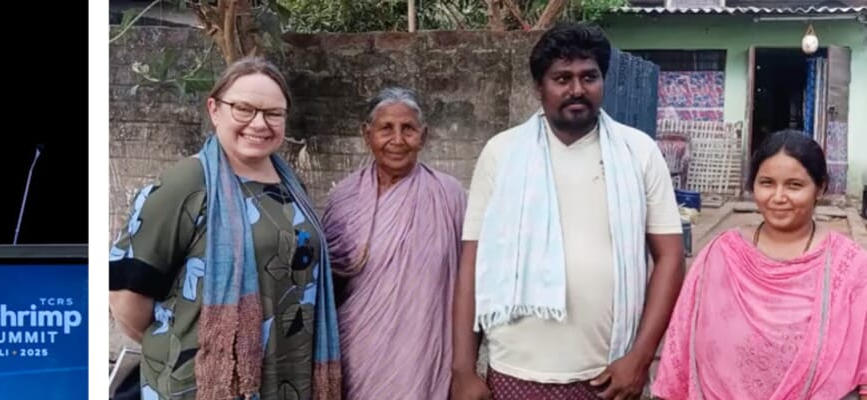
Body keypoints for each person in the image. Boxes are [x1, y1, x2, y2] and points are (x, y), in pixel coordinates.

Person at [451, 23, 686, 400]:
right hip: (514, 370)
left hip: (608, 374)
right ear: (539, 87)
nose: (577, 89)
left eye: (588, 77)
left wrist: (640, 359)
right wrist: (463, 369)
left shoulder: (637, 152)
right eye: (562, 78)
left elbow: (671, 257)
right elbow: (472, 263)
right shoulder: (502, 154)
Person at [108, 56, 342, 400]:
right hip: (203, 384)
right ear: (214, 109)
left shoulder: (291, 186)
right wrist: (197, 348)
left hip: (287, 378)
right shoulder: (187, 184)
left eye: (273, 113)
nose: (259, 123)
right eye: (243, 109)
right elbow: (125, 297)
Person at [651, 130, 867, 400]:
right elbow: (681, 342)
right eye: (766, 183)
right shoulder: (721, 255)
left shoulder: (848, 266)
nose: (778, 197)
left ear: (820, 188)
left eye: (794, 185)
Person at [320, 87, 465, 399]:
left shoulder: (450, 196)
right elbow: (326, 285)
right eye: (386, 128)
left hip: (423, 356)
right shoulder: (343, 198)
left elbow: (471, 283)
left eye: (408, 129)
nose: (397, 140)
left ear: (423, 136)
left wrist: (464, 365)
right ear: (367, 134)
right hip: (358, 353)